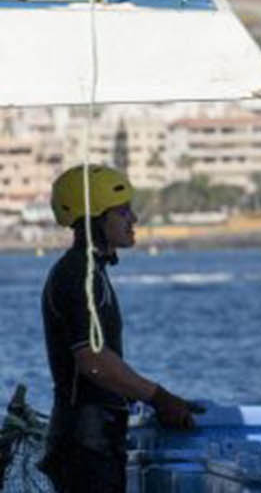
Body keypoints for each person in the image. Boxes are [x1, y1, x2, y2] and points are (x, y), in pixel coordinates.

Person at [37, 164, 202, 492]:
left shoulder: (91, 272)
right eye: (123, 212)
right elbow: (94, 361)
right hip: (85, 444)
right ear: (95, 219)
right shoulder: (78, 274)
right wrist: (160, 397)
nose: (134, 220)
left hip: (94, 439)